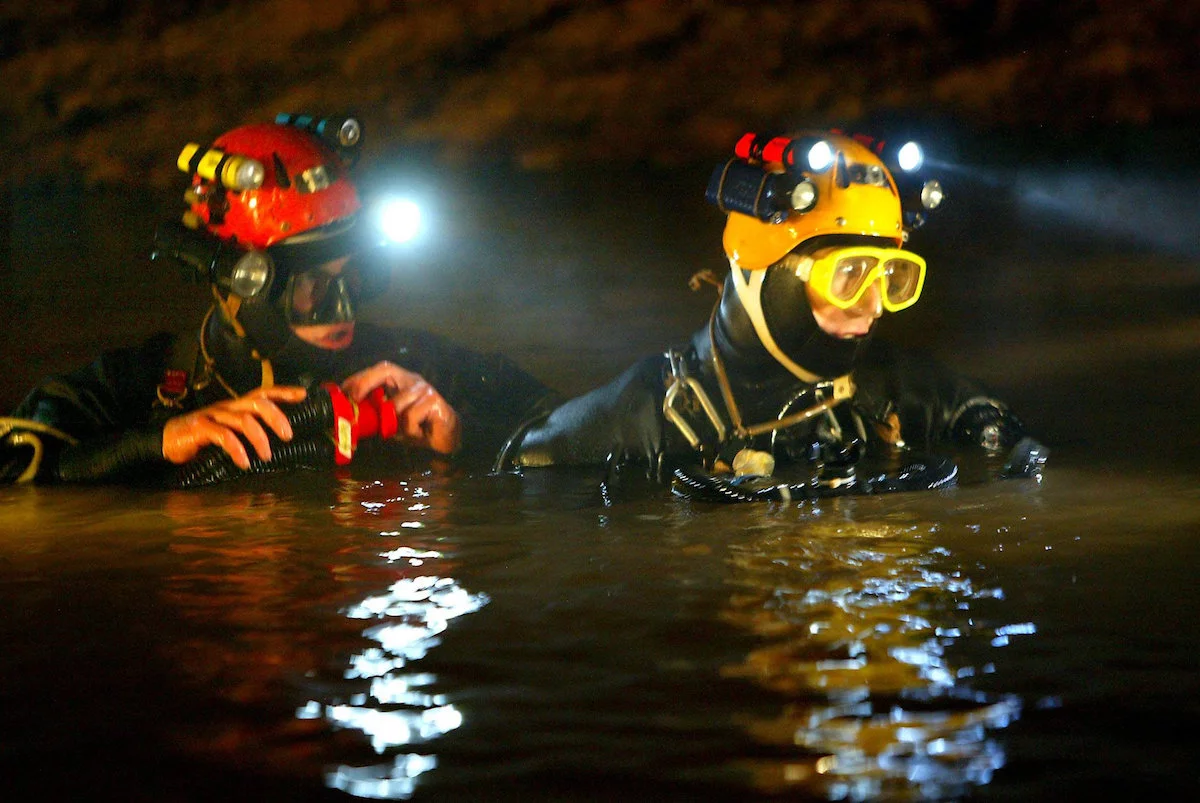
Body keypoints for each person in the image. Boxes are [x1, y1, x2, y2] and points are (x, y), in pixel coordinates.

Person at [1, 115, 559, 485]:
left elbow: (579, 430)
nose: (341, 309)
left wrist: (468, 438)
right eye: (310, 289)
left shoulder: (416, 368)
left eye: (356, 278)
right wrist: (154, 443)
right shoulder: (145, 383)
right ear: (240, 284)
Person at [497, 131, 1046, 501]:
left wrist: (1009, 447)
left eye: (893, 277)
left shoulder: (892, 389)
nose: (874, 304)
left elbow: (999, 433)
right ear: (763, 270)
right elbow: (530, 471)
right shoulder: (647, 417)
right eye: (850, 274)